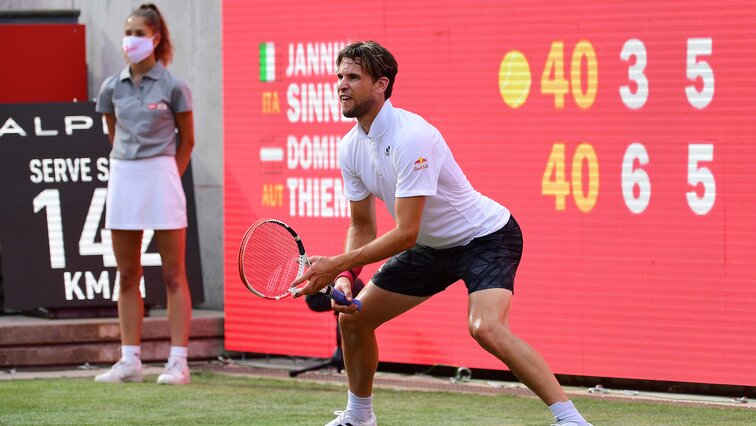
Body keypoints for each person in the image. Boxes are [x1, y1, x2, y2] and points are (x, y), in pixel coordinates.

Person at [293, 41, 591, 426]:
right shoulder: (349, 147)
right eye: (339, 76)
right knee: (353, 319)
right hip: (431, 247)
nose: (341, 85)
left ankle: (571, 419)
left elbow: (405, 232)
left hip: (486, 238)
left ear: (381, 84)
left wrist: (337, 264)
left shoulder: (412, 136)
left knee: (485, 328)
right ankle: (359, 417)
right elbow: (362, 225)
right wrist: (347, 277)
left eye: (353, 77)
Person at [93, 3, 195, 385]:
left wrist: (167, 173)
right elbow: (113, 132)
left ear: (155, 38)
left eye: (139, 33)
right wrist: (132, 166)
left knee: (172, 274)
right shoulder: (110, 87)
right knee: (127, 273)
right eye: (128, 32)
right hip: (123, 174)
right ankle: (130, 359)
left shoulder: (173, 85)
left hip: (161, 174)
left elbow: (188, 140)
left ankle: (178, 362)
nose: (131, 40)